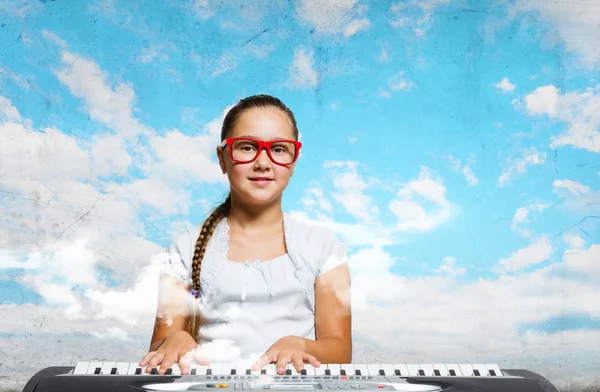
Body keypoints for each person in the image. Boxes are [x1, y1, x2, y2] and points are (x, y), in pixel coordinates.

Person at [140, 94, 352, 376]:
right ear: (223, 158)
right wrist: (173, 339)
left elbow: (340, 350)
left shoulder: (324, 246)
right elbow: (159, 345)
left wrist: (300, 345)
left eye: (278, 149)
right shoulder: (184, 246)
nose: (263, 162)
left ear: (294, 160)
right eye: (247, 147)